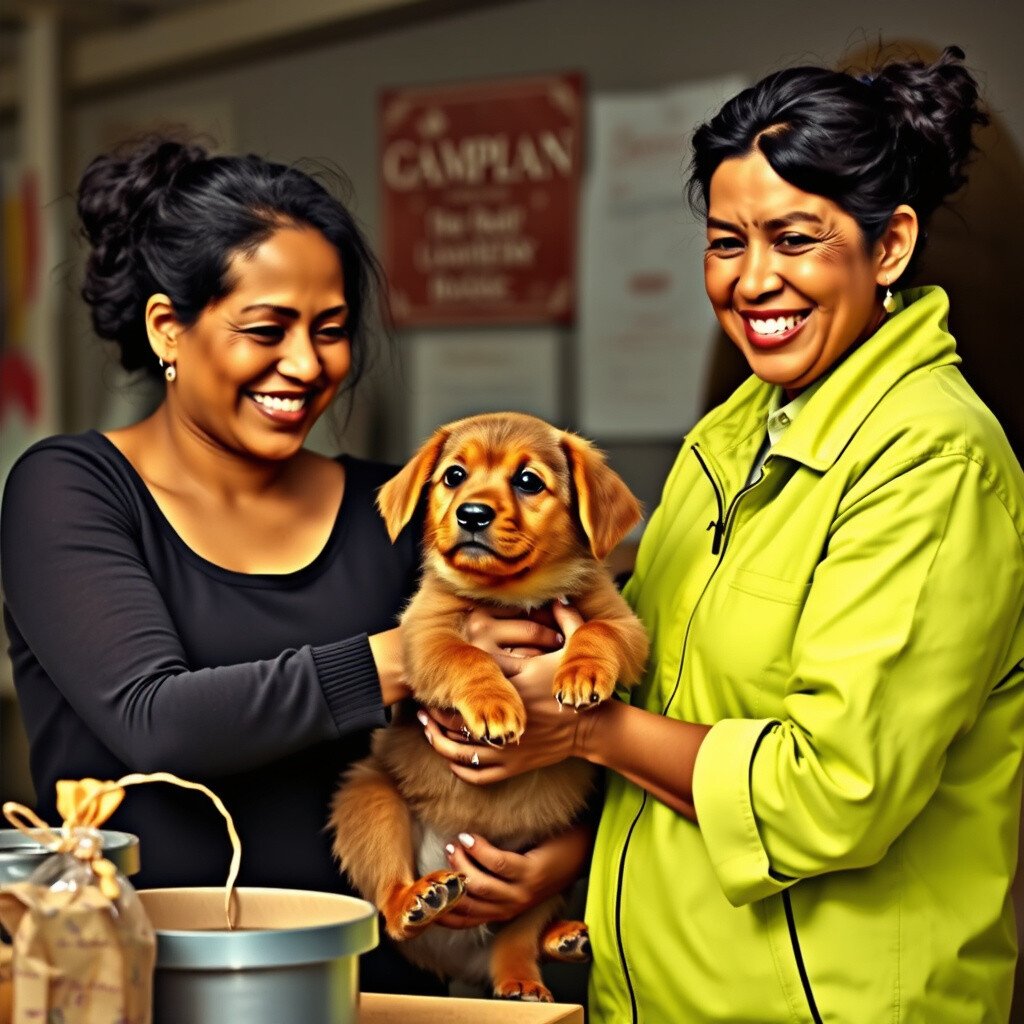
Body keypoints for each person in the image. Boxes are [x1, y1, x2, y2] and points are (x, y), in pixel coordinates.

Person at [424, 47, 1024, 1021]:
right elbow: (666, 699)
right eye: (725, 242)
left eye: (794, 239)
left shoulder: (933, 461)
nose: (753, 280)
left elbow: (832, 792)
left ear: (889, 247)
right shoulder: (734, 433)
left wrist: (584, 727)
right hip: (658, 995)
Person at [0, 138, 587, 995]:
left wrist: (557, 858)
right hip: (136, 987)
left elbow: (554, 722)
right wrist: (416, 656)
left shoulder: (398, 508)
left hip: (374, 993)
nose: (308, 365)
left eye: (332, 331)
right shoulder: (71, 488)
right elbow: (157, 720)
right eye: (267, 330)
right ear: (168, 328)